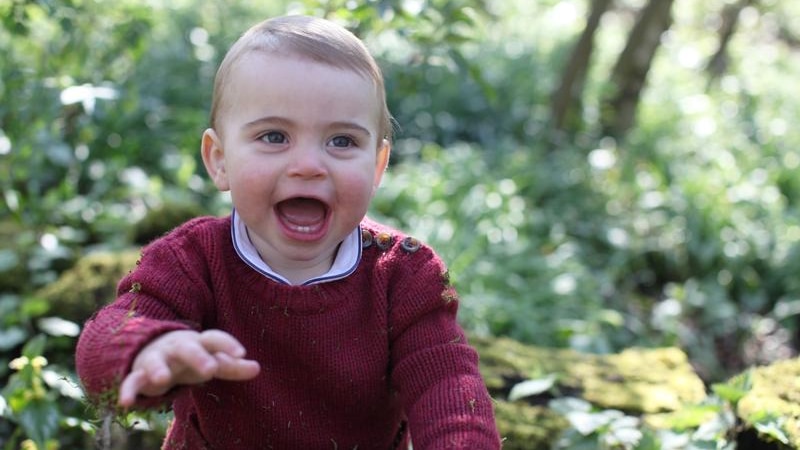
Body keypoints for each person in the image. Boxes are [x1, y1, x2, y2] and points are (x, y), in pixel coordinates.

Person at [75, 14, 501, 449]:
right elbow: (107, 338)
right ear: (219, 159)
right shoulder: (192, 260)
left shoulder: (404, 274)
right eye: (274, 136)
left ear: (376, 166)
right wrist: (146, 349)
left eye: (341, 141)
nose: (309, 166)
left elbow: (448, 385)